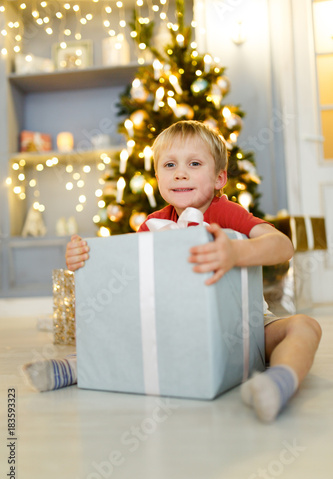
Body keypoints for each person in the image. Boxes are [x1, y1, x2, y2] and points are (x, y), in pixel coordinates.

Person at [64, 120, 321, 422]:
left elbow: (282, 246)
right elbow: (125, 276)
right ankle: (77, 367)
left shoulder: (224, 211)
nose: (180, 173)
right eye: (169, 164)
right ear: (158, 176)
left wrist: (237, 252)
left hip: (244, 326)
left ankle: (278, 382)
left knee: (305, 326)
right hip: (174, 328)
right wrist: (82, 258)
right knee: (124, 328)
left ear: (219, 177)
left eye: (194, 163)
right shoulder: (153, 223)